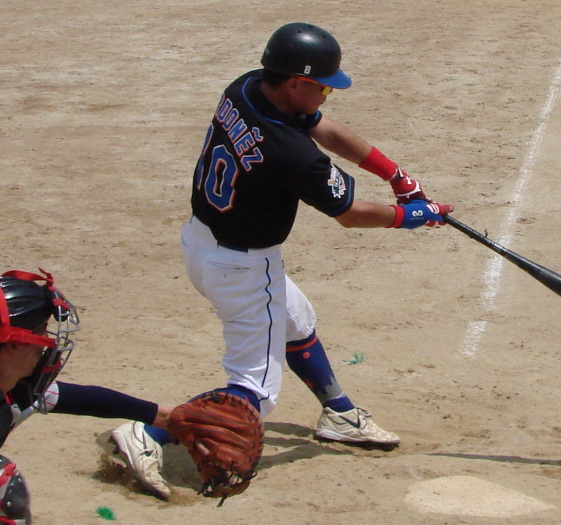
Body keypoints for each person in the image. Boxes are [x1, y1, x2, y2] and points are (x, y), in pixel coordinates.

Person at [110, 22, 453, 500]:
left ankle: (339, 412)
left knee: (296, 319)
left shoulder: (248, 87)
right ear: (295, 82)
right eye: (322, 87)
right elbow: (351, 215)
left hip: (202, 243)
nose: (328, 95)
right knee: (255, 391)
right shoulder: (292, 155)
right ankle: (149, 433)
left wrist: (395, 175)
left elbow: (325, 129)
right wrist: (411, 216)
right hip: (244, 269)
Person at [0, 269, 178, 519]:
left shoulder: (16, 388)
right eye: (42, 334)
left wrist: (161, 417)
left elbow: (82, 399)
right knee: (5, 490)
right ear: (13, 344)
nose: (47, 345)